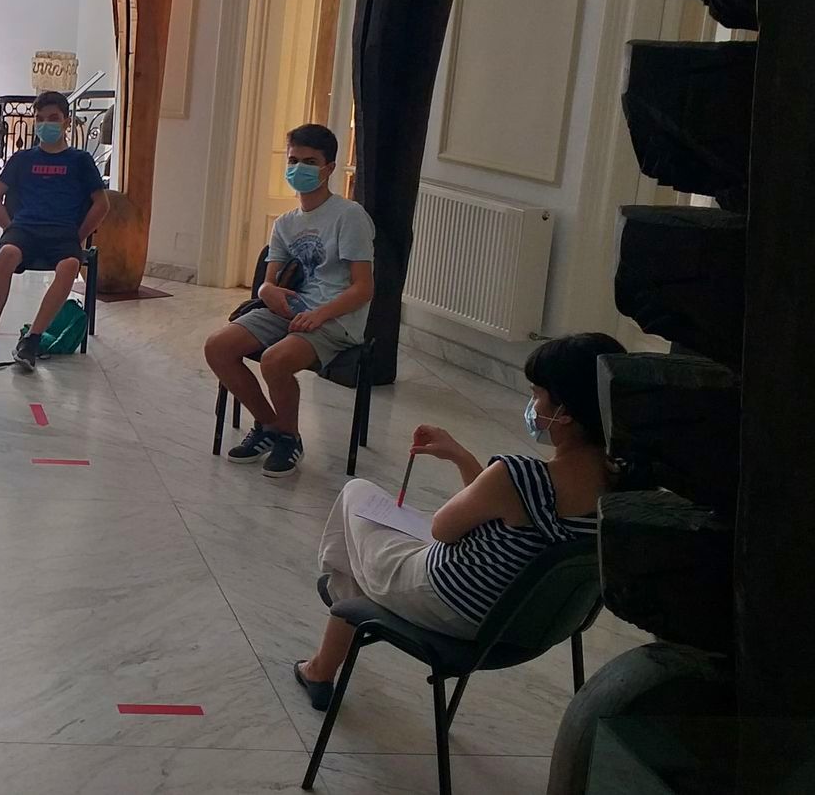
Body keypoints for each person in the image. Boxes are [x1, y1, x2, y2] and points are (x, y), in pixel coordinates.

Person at [291, 333, 624, 711]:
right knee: (362, 555)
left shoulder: (520, 476)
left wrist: (472, 468)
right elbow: (505, 512)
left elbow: (443, 530)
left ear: (563, 412)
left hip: (447, 604)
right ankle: (326, 656)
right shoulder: (626, 486)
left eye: (537, 394)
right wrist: (460, 456)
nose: (532, 406)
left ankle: (337, 622)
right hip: (529, 623)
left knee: (357, 495)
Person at [202, 123, 374, 476]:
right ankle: (270, 426)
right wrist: (267, 292)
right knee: (217, 346)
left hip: (335, 318)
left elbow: (363, 288)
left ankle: (289, 438)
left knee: (275, 360)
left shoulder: (349, 216)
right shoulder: (284, 223)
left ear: (329, 168)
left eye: (310, 162)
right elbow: (268, 282)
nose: (299, 168)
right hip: (289, 310)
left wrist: (320, 315)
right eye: (293, 160)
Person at [0, 90, 109, 371]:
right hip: (24, 229)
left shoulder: (80, 161)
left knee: (70, 266)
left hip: (63, 232)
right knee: (6, 254)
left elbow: (101, 204)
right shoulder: (22, 159)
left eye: (53, 118)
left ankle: (32, 339)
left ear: (66, 122)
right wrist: (10, 227)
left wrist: (79, 235)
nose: (46, 124)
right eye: (41, 119)